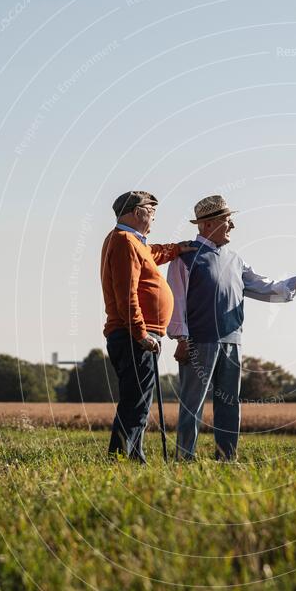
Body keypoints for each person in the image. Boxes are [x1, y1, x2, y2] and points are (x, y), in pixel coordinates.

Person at [166, 194, 296, 461]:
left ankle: (227, 458)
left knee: (229, 404)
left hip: (232, 341)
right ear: (207, 224)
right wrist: (181, 338)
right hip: (197, 342)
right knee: (193, 404)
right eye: (228, 221)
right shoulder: (184, 258)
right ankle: (184, 458)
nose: (233, 227)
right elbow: (176, 299)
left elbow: (265, 287)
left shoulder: (236, 260)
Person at [100, 190, 196, 462]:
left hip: (137, 334)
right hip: (134, 335)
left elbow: (151, 254)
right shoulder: (123, 241)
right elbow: (126, 294)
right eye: (150, 209)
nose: (154, 214)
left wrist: (176, 249)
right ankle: (119, 460)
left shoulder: (132, 242)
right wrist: (141, 334)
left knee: (139, 400)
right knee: (136, 403)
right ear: (135, 211)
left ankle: (133, 458)